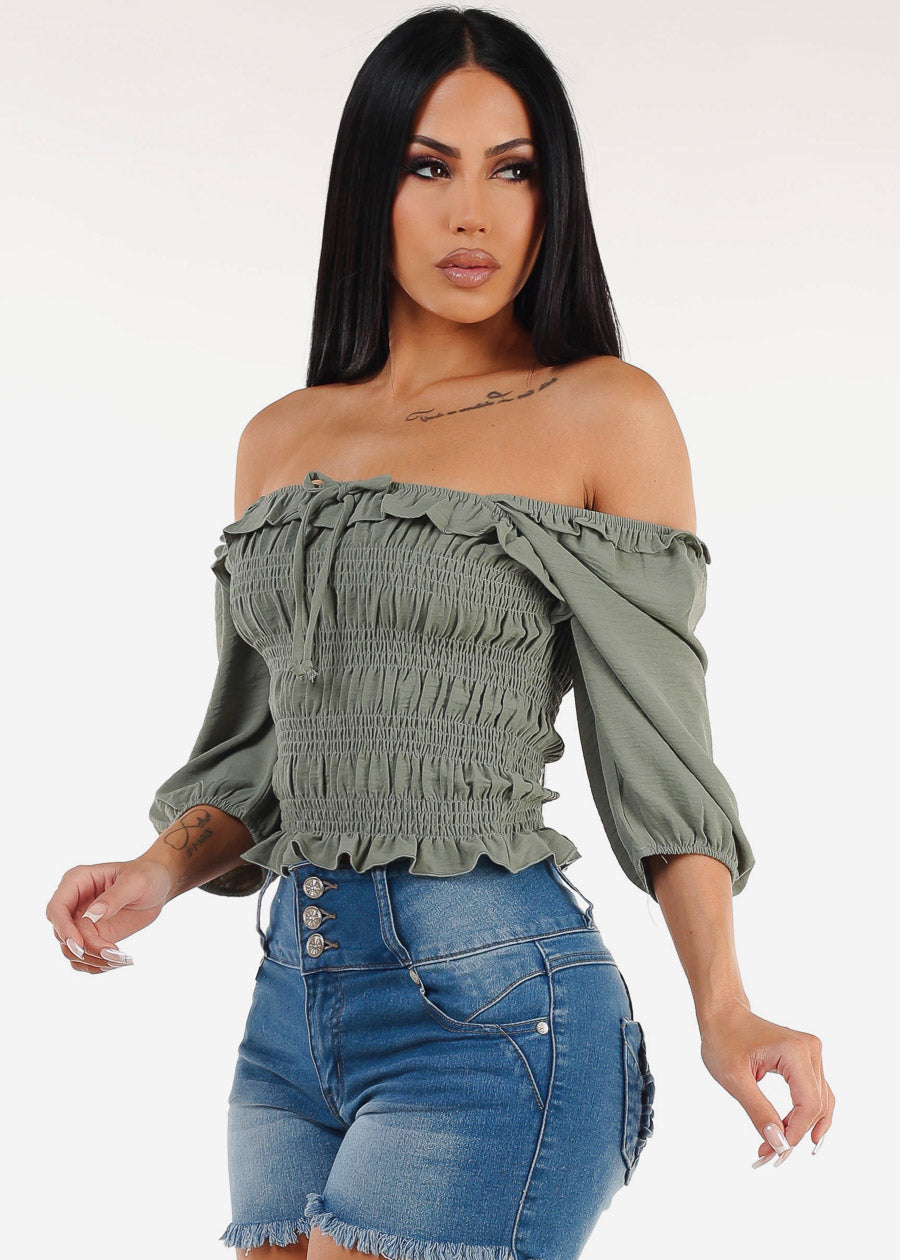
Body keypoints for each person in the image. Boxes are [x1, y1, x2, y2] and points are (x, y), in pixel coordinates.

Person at [46, 8, 833, 1259]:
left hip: (495, 1006)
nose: (473, 214)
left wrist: (725, 1008)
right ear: (372, 186)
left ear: (552, 196)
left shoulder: (605, 413)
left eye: (512, 171)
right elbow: (267, 749)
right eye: (430, 166)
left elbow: (661, 751)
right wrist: (156, 870)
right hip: (291, 1016)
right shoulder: (281, 438)